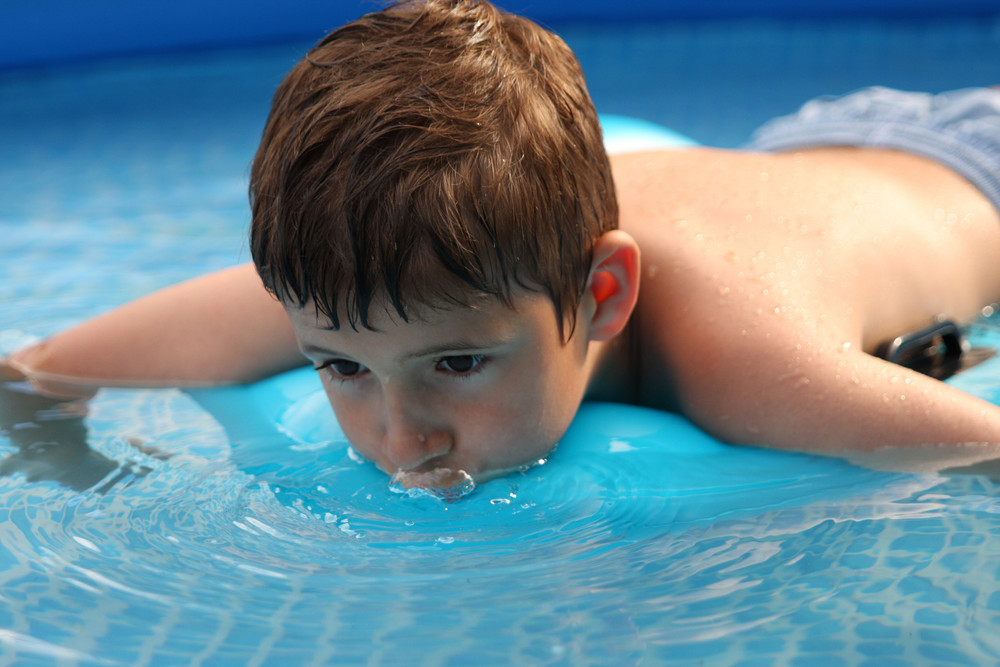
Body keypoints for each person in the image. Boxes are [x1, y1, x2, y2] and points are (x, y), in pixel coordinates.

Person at [5, 0, 1000, 485]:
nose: (402, 435)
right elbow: (33, 374)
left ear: (604, 294)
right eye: (343, 369)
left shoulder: (752, 369)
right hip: (804, 151)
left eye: (457, 361)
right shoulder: (368, 280)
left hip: (970, 173)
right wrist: (92, 477)